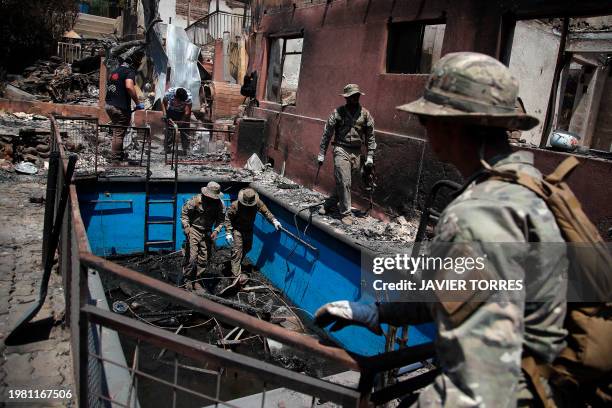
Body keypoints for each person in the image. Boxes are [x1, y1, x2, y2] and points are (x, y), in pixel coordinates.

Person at [314, 52, 568, 407]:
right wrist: (380, 311)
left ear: (454, 124)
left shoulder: (477, 216)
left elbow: (480, 386)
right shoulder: (529, 185)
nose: (424, 126)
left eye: (428, 118)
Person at [318, 84, 376, 225]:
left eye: (356, 96)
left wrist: (369, 156)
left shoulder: (366, 114)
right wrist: (321, 153)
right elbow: (327, 134)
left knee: (345, 182)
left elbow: (370, 136)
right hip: (340, 149)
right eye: (351, 96)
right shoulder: (337, 113)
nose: (354, 99)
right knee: (345, 181)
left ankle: (328, 204)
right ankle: (346, 213)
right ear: (346, 98)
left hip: (356, 152)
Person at [224, 188, 281, 280]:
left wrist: (274, 220)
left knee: (247, 248)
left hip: (249, 229)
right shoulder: (235, 205)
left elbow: (265, 211)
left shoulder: (257, 202)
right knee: (237, 251)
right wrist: (228, 233)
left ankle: (235, 263)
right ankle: (236, 276)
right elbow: (228, 218)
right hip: (238, 230)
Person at [181, 181, 225, 292]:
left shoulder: (220, 204)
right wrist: (186, 227)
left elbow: (221, 220)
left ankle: (196, 280)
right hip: (194, 230)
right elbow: (184, 214)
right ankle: (187, 280)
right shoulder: (195, 201)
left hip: (207, 232)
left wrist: (216, 230)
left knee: (204, 259)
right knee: (192, 258)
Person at [105, 48, 145, 163]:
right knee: (119, 133)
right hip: (119, 108)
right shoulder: (129, 72)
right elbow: (129, 86)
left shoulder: (115, 71)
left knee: (117, 132)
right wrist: (138, 103)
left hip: (109, 105)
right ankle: (116, 160)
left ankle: (119, 155)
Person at [162, 86, 193, 154]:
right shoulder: (169, 93)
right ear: (175, 97)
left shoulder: (188, 96)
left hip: (182, 113)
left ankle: (186, 149)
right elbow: (164, 103)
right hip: (171, 111)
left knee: (184, 130)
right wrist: (165, 115)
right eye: (180, 101)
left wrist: (182, 121)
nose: (180, 102)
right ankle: (167, 148)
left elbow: (187, 112)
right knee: (169, 130)